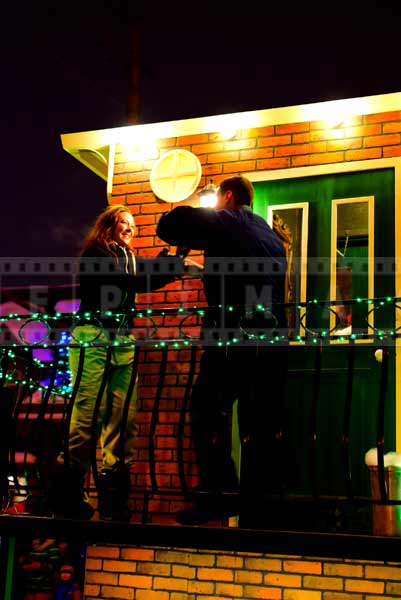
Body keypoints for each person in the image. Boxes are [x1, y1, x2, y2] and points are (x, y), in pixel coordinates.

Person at [157, 175, 288, 524]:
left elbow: (169, 224)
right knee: (259, 422)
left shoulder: (227, 219)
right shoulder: (270, 234)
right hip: (271, 338)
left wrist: (199, 218)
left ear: (227, 196)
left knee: (206, 411)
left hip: (232, 334)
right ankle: (260, 506)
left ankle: (220, 494)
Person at [53, 205, 181, 521]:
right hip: (92, 336)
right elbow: (130, 281)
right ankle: (68, 497)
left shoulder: (131, 260)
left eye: (133, 225)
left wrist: (172, 264)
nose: (130, 228)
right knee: (87, 415)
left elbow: (143, 280)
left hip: (122, 341)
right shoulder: (95, 254)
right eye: (124, 222)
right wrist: (166, 265)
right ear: (109, 225)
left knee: (123, 419)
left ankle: (113, 501)